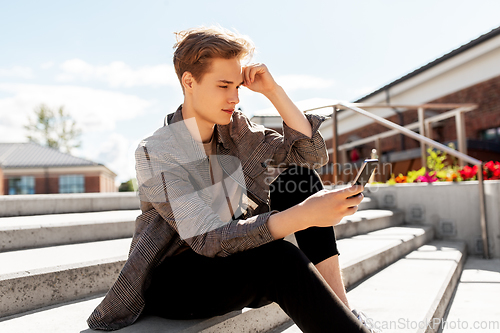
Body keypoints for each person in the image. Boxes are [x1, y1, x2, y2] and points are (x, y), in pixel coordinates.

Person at [87, 26, 378, 333]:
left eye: (237, 86)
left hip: (233, 265)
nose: (235, 97)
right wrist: (304, 215)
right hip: (176, 283)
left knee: (299, 179)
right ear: (189, 81)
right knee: (279, 258)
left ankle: (344, 310)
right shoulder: (156, 151)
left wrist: (273, 91)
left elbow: (309, 157)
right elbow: (207, 238)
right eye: (224, 86)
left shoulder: (234, 128)